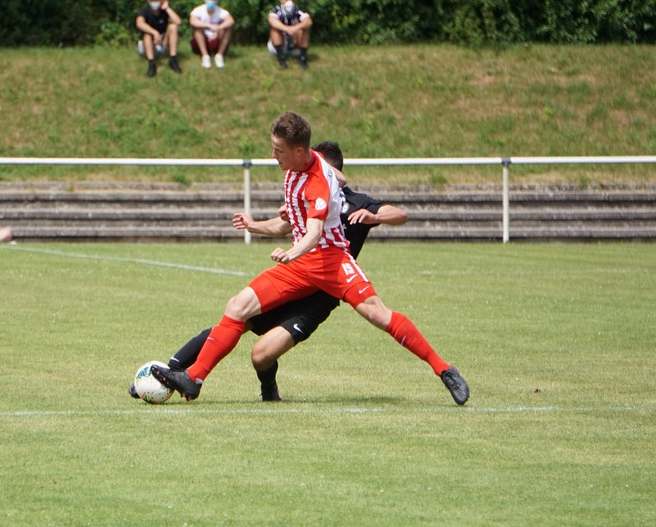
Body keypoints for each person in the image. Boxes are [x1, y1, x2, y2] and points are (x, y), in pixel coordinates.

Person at [150, 112, 470, 405]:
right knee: (237, 307)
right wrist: (255, 225)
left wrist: (292, 251)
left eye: (279, 150)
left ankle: (444, 370)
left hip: (331, 260)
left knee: (378, 314)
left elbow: (315, 233)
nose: (273, 155)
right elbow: (328, 189)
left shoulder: (316, 183)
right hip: (302, 265)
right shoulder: (298, 167)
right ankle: (193, 378)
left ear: (299, 151)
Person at [135, 0, 181, 77]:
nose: (154, 1)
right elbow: (139, 23)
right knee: (147, 35)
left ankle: (173, 60)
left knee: (173, 27)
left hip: (162, 43)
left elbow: (178, 21)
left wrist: (167, 8)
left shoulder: (164, 11)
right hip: (148, 46)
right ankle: (151, 63)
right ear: (148, 0)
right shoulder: (144, 12)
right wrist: (154, 32)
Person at [188, 0, 234, 69]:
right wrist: (209, 25)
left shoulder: (221, 11)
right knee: (197, 29)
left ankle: (219, 56)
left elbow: (231, 21)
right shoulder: (198, 10)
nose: (211, 1)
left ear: (217, 0)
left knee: (228, 29)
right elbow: (192, 21)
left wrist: (218, 27)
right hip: (202, 40)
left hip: (216, 39)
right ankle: (205, 56)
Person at [267, 0, 312, 70]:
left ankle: (303, 59)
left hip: (294, 45)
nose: (289, 3)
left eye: (292, 0)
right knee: (275, 29)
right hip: (279, 46)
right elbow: (272, 20)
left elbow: (308, 21)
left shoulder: (298, 11)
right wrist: (286, 28)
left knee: (304, 29)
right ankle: (281, 58)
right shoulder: (276, 11)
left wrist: (295, 28)